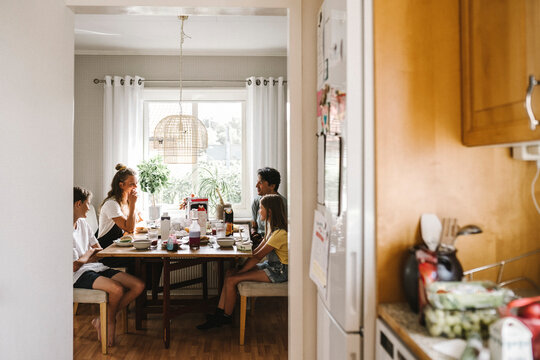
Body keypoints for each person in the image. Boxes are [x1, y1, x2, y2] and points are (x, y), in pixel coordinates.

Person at [197, 193, 288, 330]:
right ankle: (219, 314)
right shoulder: (271, 228)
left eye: (261, 208)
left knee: (232, 279)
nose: (258, 211)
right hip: (272, 265)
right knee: (230, 273)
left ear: (269, 211)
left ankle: (225, 317)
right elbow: (256, 252)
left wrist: (240, 271)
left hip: (279, 271)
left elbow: (257, 256)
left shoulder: (279, 234)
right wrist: (239, 269)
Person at [73, 186, 144, 346]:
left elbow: (98, 249)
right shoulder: (63, 230)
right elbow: (74, 267)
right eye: (88, 203)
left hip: (94, 267)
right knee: (117, 289)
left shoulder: (83, 224)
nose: (90, 207)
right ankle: (110, 322)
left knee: (138, 285)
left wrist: (85, 257)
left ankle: (103, 319)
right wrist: (86, 256)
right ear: (78, 204)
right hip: (77, 276)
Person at [97, 163, 142, 272]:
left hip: (120, 248)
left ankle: (149, 288)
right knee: (142, 259)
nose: (135, 187)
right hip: (108, 252)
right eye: (132, 184)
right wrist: (133, 205)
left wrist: (132, 206)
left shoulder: (125, 202)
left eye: (136, 184)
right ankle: (143, 287)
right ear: (121, 185)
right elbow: (130, 228)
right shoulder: (112, 204)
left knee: (152, 257)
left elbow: (140, 219)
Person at [251, 167, 288, 247]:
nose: (256, 186)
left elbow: (283, 233)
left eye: (260, 182)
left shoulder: (283, 204)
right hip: (259, 244)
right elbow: (254, 226)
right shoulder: (256, 202)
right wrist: (254, 233)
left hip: (274, 247)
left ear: (272, 186)